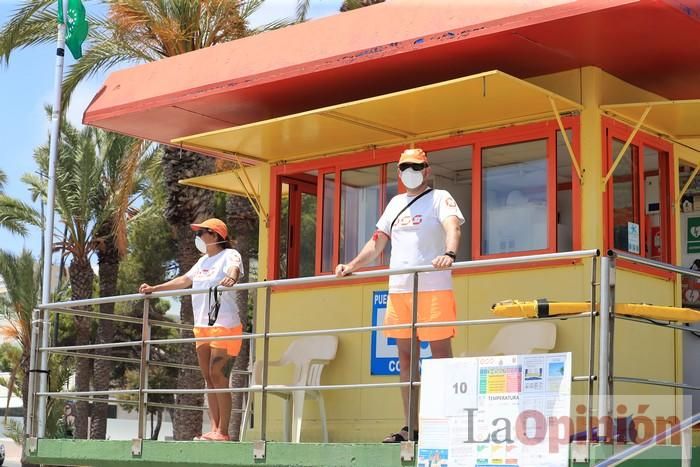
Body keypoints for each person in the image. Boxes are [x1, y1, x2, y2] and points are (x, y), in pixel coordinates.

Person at [335, 148, 464, 443]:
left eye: (416, 166)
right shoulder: (394, 203)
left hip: (434, 288)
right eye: (405, 166)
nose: (411, 171)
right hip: (400, 290)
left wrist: (449, 253)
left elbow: (452, 226)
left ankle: (447, 423)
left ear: (427, 170)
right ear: (398, 171)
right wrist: (350, 266)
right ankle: (411, 427)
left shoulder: (440, 197)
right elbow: (377, 242)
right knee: (406, 359)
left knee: (441, 356)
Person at [139, 218, 244, 442]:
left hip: (225, 325)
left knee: (219, 375)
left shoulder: (229, 255)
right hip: (202, 326)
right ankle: (215, 429)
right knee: (208, 377)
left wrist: (232, 277)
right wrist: (154, 289)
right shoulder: (202, 261)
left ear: (215, 235)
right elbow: (184, 280)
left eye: (201, 233)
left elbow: (235, 269)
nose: (197, 237)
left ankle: (223, 432)